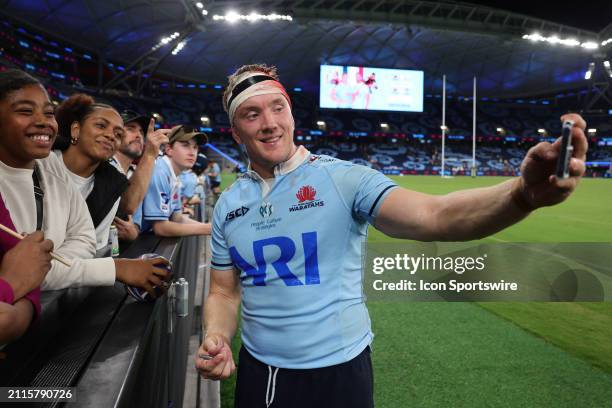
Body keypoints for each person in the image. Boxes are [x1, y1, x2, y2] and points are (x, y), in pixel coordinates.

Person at [194, 64, 588, 408]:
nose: (269, 123)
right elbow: (224, 292)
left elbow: (435, 216)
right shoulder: (229, 205)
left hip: (340, 371)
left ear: (291, 113)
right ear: (235, 131)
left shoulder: (343, 178)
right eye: (252, 114)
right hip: (262, 372)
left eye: (278, 108)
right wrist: (217, 335)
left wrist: (521, 194)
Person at [0, 70, 169, 298]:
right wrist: (113, 268)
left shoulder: (102, 182)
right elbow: (18, 273)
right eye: (101, 126)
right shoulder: (50, 162)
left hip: (57, 301)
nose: (111, 135)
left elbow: (86, 241)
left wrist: (50, 264)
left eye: (118, 133)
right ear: (76, 129)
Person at [136, 125, 211, 237]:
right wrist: (207, 229)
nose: (192, 152)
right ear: (169, 149)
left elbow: (177, 218)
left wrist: (207, 227)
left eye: (195, 147)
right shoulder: (160, 171)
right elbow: (160, 228)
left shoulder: (173, 174)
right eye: (185, 145)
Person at [110, 110, 171, 242]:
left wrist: (133, 232)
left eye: (141, 132)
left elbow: (134, 221)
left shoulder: (136, 173)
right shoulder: (105, 165)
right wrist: (149, 154)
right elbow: (128, 206)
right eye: (131, 129)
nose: (138, 135)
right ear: (115, 133)